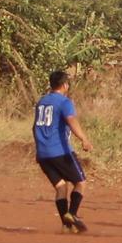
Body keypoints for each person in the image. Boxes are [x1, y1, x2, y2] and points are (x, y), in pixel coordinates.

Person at [33, 71, 93, 233]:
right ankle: (72, 214)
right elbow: (72, 120)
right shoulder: (64, 102)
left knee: (61, 187)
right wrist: (84, 139)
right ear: (65, 85)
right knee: (80, 182)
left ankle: (66, 226)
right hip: (60, 151)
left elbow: (35, 127)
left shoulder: (42, 102)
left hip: (43, 154)